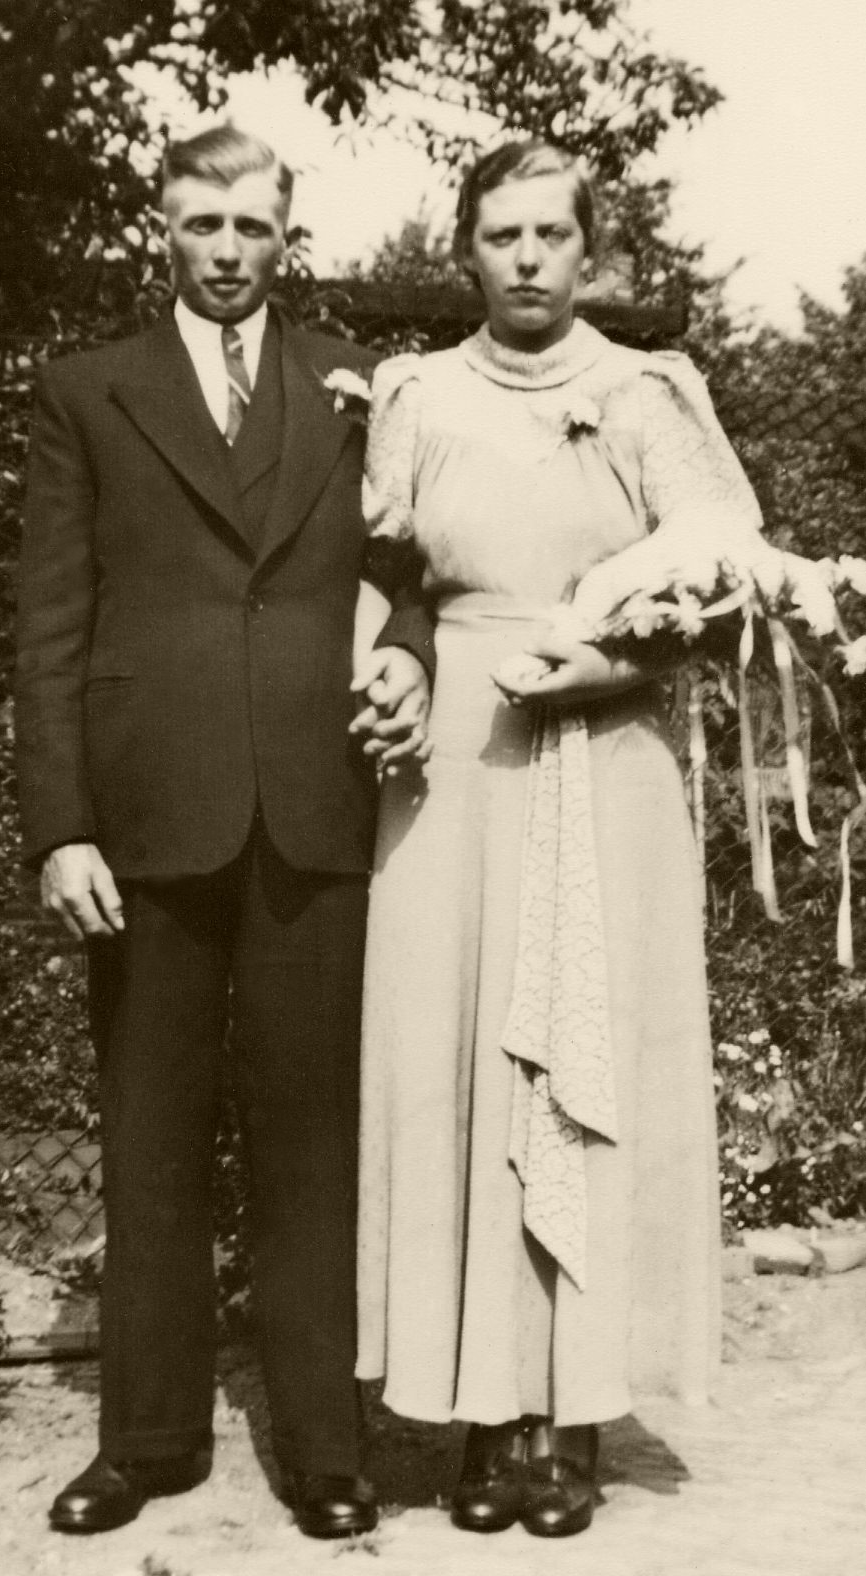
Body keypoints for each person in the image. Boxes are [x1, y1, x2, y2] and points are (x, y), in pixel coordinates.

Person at [14, 120, 432, 1540]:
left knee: (312, 1138)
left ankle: (323, 1445)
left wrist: (410, 652)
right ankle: (147, 1441)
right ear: (164, 228)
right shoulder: (87, 390)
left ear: (286, 233)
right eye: (204, 223)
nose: (229, 251)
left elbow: (414, 565)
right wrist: (61, 827)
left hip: (316, 804)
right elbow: (49, 623)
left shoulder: (357, 386)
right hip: (147, 818)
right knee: (152, 1133)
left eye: (254, 225)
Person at [353, 139, 765, 1538]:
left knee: (589, 1067)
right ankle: (480, 1413)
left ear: (591, 251)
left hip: (607, 748)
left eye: (551, 234)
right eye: (500, 235)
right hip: (454, 765)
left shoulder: (649, 393)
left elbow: (723, 586)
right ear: (464, 251)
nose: (526, 258)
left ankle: (573, 1413)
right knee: (457, 1061)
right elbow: (385, 577)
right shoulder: (415, 395)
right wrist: (397, 666)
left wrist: (617, 663)